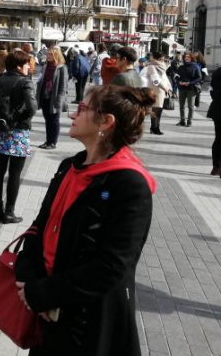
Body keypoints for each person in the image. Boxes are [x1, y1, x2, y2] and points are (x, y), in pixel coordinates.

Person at [14, 85, 157, 356]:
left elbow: (113, 265)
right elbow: (39, 227)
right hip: (48, 315)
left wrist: (45, 294)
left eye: (82, 109)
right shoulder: (69, 166)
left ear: (106, 122)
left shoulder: (129, 184)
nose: (72, 115)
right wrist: (28, 280)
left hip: (89, 324)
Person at [0, 50, 37, 224]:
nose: (29, 68)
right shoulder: (25, 82)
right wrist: (16, 118)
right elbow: (32, 107)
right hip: (18, 131)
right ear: (18, 66)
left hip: (0, 129)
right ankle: (9, 212)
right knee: (15, 173)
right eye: (26, 65)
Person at [36, 47, 69, 150]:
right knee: (47, 120)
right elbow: (41, 80)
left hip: (54, 98)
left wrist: (59, 100)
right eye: (48, 54)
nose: (48, 56)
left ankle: (53, 142)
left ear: (56, 55)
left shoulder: (61, 68)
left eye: (50, 54)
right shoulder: (45, 66)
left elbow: (63, 86)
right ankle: (48, 141)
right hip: (45, 96)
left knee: (54, 120)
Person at [141, 51, 171, 135]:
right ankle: (154, 128)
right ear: (155, 58)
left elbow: (164, 77)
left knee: (159, 110)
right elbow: (156, 80)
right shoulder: (151, 66)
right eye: (161, 58)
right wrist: (166, 88)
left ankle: (155, 127)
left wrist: (169, 87)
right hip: (155, 90)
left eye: (163, 58)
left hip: (162, 90)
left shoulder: (162, 66)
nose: (163, 60)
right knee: (156, 110)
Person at [176, 53, 202, 127]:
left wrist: (190, 83)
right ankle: (182, 120)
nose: (187, 58)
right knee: (181, 106)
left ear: (191, 58)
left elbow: (199, 77)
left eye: (188, 57)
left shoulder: (195, 67)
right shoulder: (181, 67)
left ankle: (189, 121)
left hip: (191, 89)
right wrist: (179, 81)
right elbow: (177, 76)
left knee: (190, 106)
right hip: (182, 88)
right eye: (185, 57)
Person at [208, 67, 221, 176]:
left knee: (218, 139)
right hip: (218, 110)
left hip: (217, 109)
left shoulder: (217, 71)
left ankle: (216, 167)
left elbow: (212, 91)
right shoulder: (219, 73)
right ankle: (217, 166)